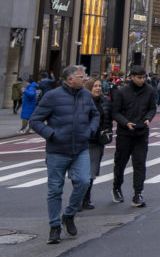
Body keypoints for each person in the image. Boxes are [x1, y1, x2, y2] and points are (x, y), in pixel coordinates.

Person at [29, 65, 99, 244]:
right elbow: (35, 120)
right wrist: (52, 134)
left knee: (84, 181)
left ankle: (68, 214)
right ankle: (54, 226)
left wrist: (90, 131)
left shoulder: (85, 95)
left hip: (80, 149)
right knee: (54, 190)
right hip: (57, 151)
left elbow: (95, 115)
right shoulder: (52, 96)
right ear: (70, 79)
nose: (85, 79)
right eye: (81, 76)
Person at [111, 65, 156, 207]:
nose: (142, 80)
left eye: (143, 77)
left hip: (141, 133)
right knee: (120, 163)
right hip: (125, 133)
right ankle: (116, 188)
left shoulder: (149, 90)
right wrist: (125, 123)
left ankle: (138, 193)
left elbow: (152, 108)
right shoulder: (122, 92)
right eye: (139, 78)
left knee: (140, 163)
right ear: (131, 77)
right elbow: (115, 112)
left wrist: (148, 118)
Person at [82, 77, 112, 210]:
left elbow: (109, 118)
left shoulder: (105, 101)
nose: (98, 88)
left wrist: (108, 132)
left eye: (99, 86)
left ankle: (86, 197)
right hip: (84, 141)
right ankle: (79, 197)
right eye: (95, 86)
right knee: (82, 172)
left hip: (98, 141)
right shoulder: (82, 101)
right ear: (89, 88)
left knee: (92, 171)